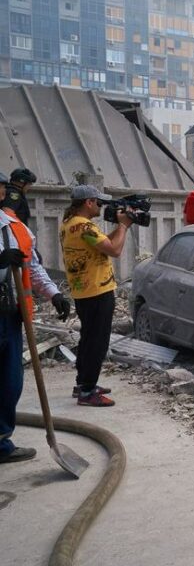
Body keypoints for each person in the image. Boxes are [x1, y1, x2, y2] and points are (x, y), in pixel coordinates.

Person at [0, 173, 70, 464]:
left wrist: (54, 294)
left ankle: (1, 443)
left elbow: (34, 267)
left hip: (10, 315)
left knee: (10, 382)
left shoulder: (15, 226)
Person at [61, 184, 132, 407]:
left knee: (88, 337)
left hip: (83, 290)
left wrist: (118, 228)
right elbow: (115, 250)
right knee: (97, 341)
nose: (101, 206)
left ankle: (83, 383)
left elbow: (103, 245)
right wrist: (124, 226)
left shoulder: (70, 224)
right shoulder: (84, 226)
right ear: (88, 202)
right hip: (97, 289)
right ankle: (88, 392)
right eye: (98, 202)